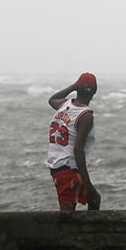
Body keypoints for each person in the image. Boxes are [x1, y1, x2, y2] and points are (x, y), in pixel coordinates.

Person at [46, 72, 101, 211]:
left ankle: (88, 232)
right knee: (69, 213)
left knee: (94, 199)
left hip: (57, 165)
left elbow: (52, 99)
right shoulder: (86, 116)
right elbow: (78, 149)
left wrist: (73, 86)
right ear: (95, 91)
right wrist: (87, 184)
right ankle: (85, 233)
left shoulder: (64, 104)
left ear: (78, 88)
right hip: (68, 168)